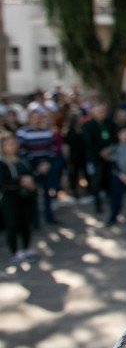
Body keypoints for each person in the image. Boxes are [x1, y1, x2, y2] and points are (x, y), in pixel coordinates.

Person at [16, 110, 60, 225]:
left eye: (38, 117)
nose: (36, 119)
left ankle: (49, 216)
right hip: (31, 166)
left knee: (48, 192)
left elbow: (53, 149)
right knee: (33, 193)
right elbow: (21, 151)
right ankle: (34, 219)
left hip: (46, 165)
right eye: (34, 117)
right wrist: (35, 165)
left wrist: (46, 163)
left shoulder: (47, 132)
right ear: (29, 118)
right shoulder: (22, 132)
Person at [0, 134, 38, 265]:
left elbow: (32, 173)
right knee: (12, 225)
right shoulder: (2, 162)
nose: (13, 146)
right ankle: (14, 252)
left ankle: (27, 249)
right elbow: (3, 182)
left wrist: (31, 182)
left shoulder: (22, 159)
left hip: (26, 197)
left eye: (14, 143)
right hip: (10, 198)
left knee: (26, 224)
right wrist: (21, 182)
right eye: (9, 144)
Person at [84, 103, 115, 214]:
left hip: (109, 156)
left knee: (110, 180)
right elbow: (88, 143)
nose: (102, 114)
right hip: (96, 159)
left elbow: (113, 137)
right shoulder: (88, 126)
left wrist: (109, 150)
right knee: (96, 182)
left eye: (103, 112)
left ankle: (112, 202)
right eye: (99, 112)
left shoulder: (109, 123)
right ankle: (98, 206)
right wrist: (100, 152)